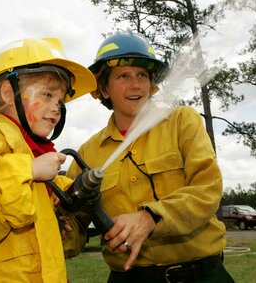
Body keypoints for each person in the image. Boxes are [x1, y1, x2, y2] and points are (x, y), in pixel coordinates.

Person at [65, 30, 235, 282]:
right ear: (104, 88)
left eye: (142, 76)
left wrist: (150, 217)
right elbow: (75, 226)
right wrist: (60, 229)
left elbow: (207, 189)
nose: (136, 85)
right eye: (123, 76)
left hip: (200, 274)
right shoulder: (87, 153)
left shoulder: (181, 121)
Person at [0, 37, 96, 283]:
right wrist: (29, 169)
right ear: (7, 93)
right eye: (47, 95)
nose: (57, 108)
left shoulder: (30, 149)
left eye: (60, 101)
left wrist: (59, 199)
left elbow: (20, 204)